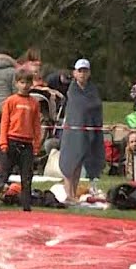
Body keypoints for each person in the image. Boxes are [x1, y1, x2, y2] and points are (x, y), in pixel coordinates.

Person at [0, 71, 41, 212]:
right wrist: (3, 142)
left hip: (27, 143)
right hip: (11, 141)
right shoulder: (11, 101)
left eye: (28, 83)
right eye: (22, 83)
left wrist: (36, 144)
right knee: (4, 173)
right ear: (17, 83)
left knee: (27, 176)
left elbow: (36, 125)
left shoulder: (34, 103)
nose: (25, 86)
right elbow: (4, 123)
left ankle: (26, 205)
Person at [58, 57, 104, 202]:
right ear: (75, 73)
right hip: (73, 132)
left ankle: (73, 193)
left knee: (79, 163)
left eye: (85, 71)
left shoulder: (93, 90)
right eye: (80, 71)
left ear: (89, 73)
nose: (82, 74)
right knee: (70, 162)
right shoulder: (72, 90)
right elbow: (78, 108)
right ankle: (68, 193)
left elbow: (96, 107)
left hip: (88, 131)